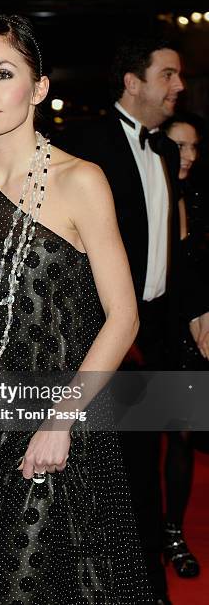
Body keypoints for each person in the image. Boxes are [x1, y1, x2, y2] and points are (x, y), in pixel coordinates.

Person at [0, 15, 152, 604]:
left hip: (55, 422)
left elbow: (123, 317)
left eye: (2, 74)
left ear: (39, 87)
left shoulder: (81, 181)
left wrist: (60, 421)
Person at [72, 36, 209, 604]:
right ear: (133, 82)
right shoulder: (84, 142)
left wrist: (194, 311)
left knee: (149, 463)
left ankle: (145, 585)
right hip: (102, 333)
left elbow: (172, 247)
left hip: (155, 332)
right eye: (169, 75)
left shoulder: (168, 153)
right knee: (103, 471)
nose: (179, 86)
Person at [161, 113, 209, 579]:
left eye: (195, 147)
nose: (190, 156)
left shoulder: (198, 198)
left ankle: (173, 531)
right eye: (181, 146)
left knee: (181, 437)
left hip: (192, 333)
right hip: (148, 330)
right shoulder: (138, 194)